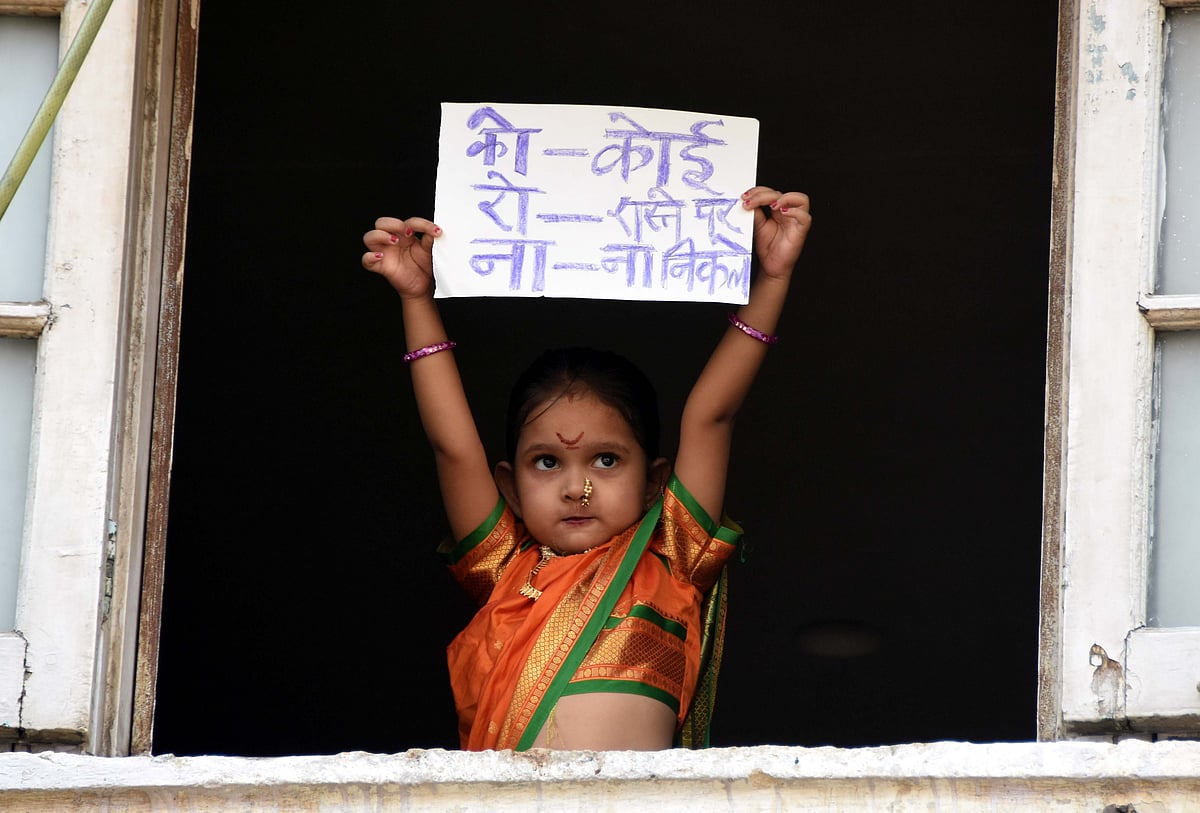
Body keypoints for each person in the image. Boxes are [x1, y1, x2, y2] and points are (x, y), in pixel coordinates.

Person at [362, 185, 811, 751]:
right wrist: (416, 299)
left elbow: (710, 415)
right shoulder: (506, 571)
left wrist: (771, 280)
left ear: (653, 481)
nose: (578, 487)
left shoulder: (671, 558)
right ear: (511, 487)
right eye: (547, 462)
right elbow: (453, 446)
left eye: (606, 459)